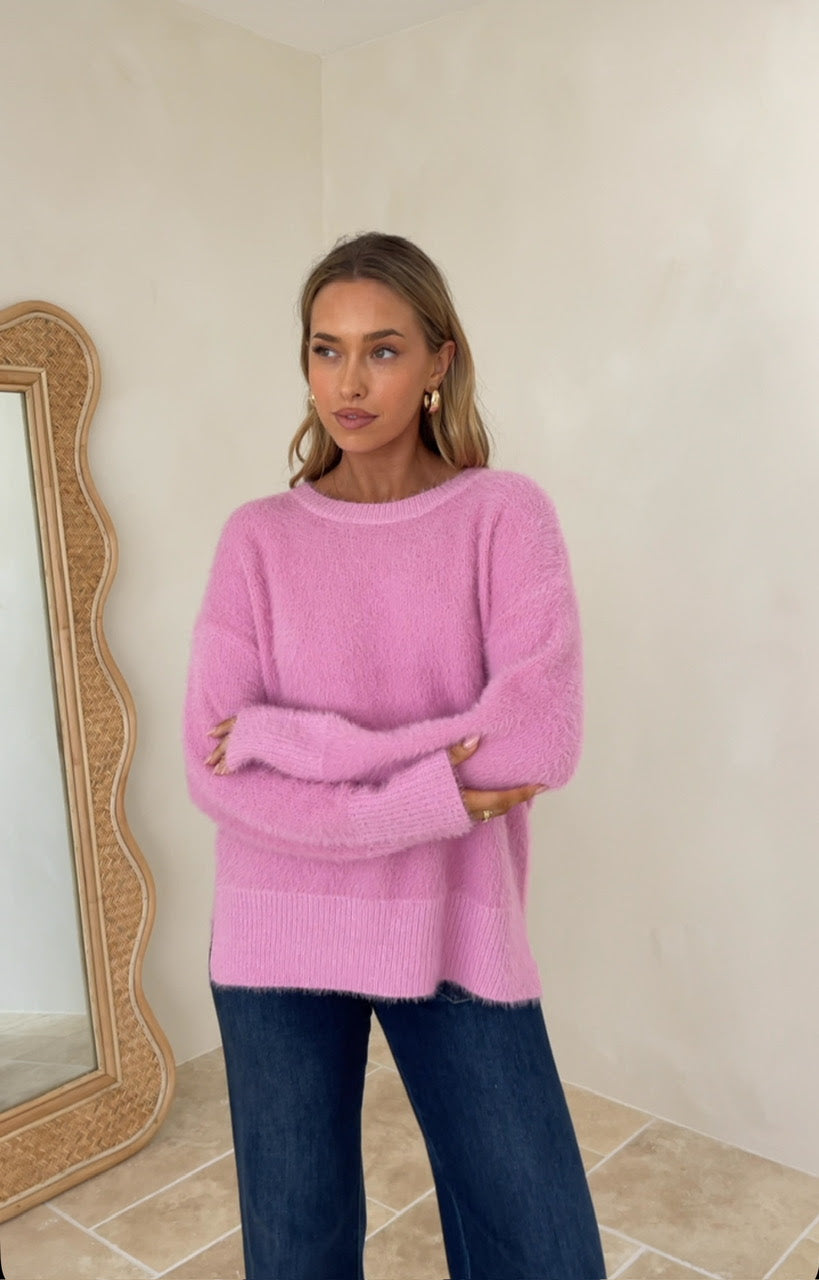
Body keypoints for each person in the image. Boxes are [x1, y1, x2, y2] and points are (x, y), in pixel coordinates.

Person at [184, 231, 606, 1280]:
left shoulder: (502, 515)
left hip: (451, 922)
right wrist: (429, 783)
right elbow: (211, 766)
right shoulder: (256, 538)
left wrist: (286, 737)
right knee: (298, 1248)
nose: (348, 382)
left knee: (539, 1246)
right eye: (325, 350)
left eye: (382, 349)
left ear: (437, 362)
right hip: (275, 931)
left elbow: (535, 740)